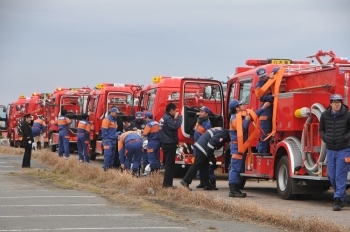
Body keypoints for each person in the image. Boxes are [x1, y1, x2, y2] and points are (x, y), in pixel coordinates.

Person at [228, 99, 270, 198]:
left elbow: (254, 115)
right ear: (237, 108)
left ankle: (236, 188)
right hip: (237, 147)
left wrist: (263, 108)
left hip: (241, 146)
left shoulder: (241, 116)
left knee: (238, 168)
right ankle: (233, 190)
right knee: (235, 168)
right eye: (240, 105)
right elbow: (241, 130)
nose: (243, 106)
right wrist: (247, 120)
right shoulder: (234, 118)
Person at [319, 94, 350, 211]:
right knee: (331, 175)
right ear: (330, 103)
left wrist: (345, 138)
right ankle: (342, 196)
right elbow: (321, 129)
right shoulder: (325, 115)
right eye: (335, 102)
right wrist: (325, 137)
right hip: (330, 149)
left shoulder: (347, 114)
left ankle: (337, 200)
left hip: (344, 149)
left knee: (340, 176)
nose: (337, 104)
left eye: (339, 102)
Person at [254, 67, 280, 156]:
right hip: (265, 111)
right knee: (265, 133)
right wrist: (272, 97)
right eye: (261, 77)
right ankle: (262, 151)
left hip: (272, 108)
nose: (263, 78)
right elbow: (261, 97)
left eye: (264, 76)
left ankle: (265, 149)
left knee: (271, 132)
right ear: (259, 77)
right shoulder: (258, 86)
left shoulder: (270, 79)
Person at [159, 103, 182, 188]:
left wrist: (174, 118)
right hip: (169, 144)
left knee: (168, 164)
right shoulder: (168, 118)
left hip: (165, 143)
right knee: (170, 165)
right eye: (175, 110)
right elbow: (175, 126)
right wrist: (180, 118)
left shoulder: (164, 117)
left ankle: (167, 184)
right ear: (171, 110)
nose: (176, 112)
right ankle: (167, 184)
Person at [192, 106, 216, 189]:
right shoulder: (199, 121)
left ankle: (212, 181)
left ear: (206, 114)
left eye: (202, 112)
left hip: (203, 147)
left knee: (205, 165)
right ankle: (202, 182)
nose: (200, 113)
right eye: (200, 111)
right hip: (197, 146)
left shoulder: (207, 124)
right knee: (199, 164)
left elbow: (209, 137)